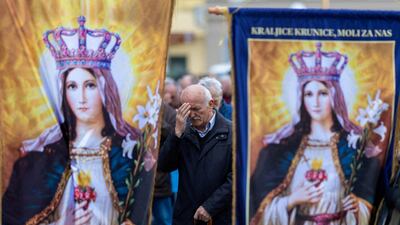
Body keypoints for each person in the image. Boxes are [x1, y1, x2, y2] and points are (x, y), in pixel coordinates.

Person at [2, 16, 154, 225]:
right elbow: (13, 216)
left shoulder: (128, 154)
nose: (81, 96)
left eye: (90, 85)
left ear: (105, 90)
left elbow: (139, 211)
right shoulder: (41, 158)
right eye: (72, 86)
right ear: (63, 92)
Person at [250, 43, 380, 225]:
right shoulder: (282, 149)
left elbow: (374, 199)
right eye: (309, 94)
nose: (315, 102)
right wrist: (291, 200)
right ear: (301, 98)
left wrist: (358, 207)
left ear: (335, 97)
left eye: (323, 93)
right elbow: (258, 207)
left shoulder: (353, 146)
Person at [158, 84, 232, 225]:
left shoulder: (231, 132)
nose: (191, 114)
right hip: (186, 216)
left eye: (196, 109)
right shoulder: (183, 131)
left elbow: (235, 178)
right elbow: (164, 165)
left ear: (211, 104)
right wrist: (176, 135)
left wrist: (210, 206)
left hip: (219, 216)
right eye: (186, 109)